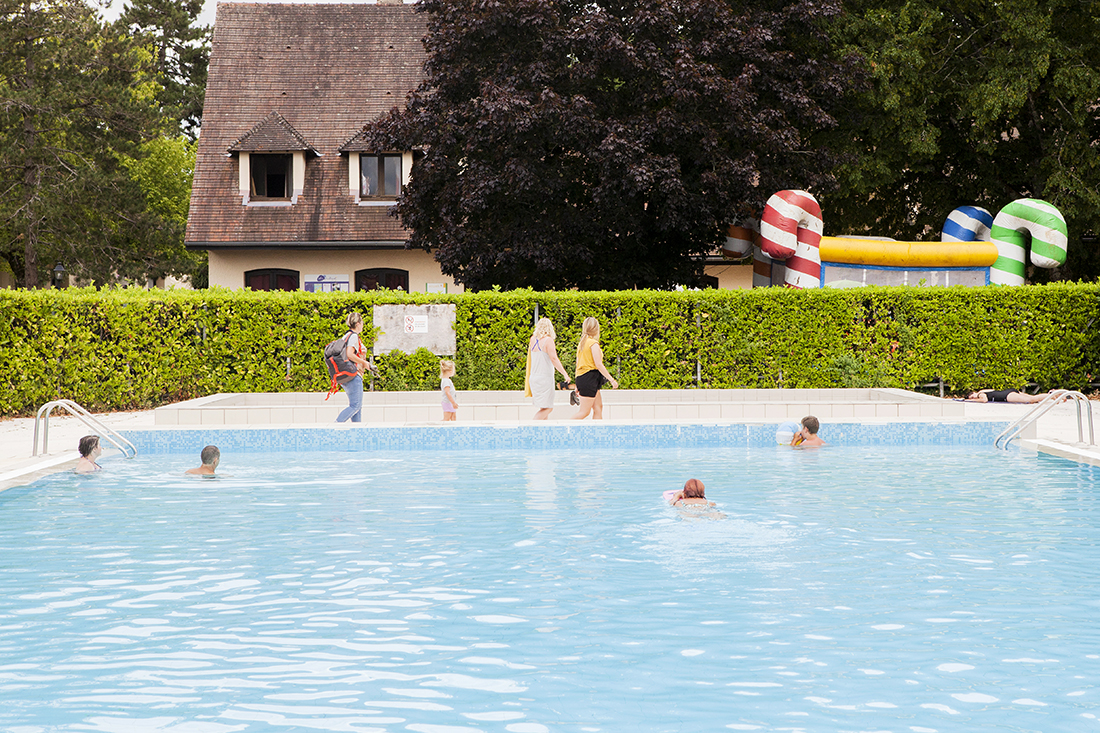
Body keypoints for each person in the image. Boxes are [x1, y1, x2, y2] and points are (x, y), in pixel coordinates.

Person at [572, 316, 619, 420]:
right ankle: (563, 429)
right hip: (589, 378)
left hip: (585, 378)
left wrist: (577, 383)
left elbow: (578, 364)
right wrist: (612, 380)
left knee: (598, 407)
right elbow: (598, 364)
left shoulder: (582, 343)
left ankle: (597, 432)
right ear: (596, 329)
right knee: (584, 412)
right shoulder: (593, 344)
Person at [525, 317, 572, 420]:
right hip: (545, 379)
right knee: (548, 408)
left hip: (534, 378)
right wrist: (565, 374)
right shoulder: (548, 340)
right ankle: (531, 427)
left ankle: (542, 432)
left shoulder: (533, 339)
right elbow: (554, 359)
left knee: (544, 407)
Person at [336, 312, 370, 423]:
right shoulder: (353, 336)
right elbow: (350, 354)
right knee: (355, 406)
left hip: (346, 374)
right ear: (358, 323)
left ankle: (357, 433)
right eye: (362, 323)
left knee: (357, 408)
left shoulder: (346, 335)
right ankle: (335, 425)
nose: (363, 326)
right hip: (353, 375)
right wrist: (364, 363)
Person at [965, 388, 1053, 404]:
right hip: (1008, 391)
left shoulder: (980, 393)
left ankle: (1051, 395)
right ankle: (1053, 396)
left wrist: (970, 401)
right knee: (1032, 397)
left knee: (1031, 399)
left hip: (1006, 396)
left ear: (973, 392)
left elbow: (984, 400)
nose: (974, 398)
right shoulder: (984, 390)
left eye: (972, 396)